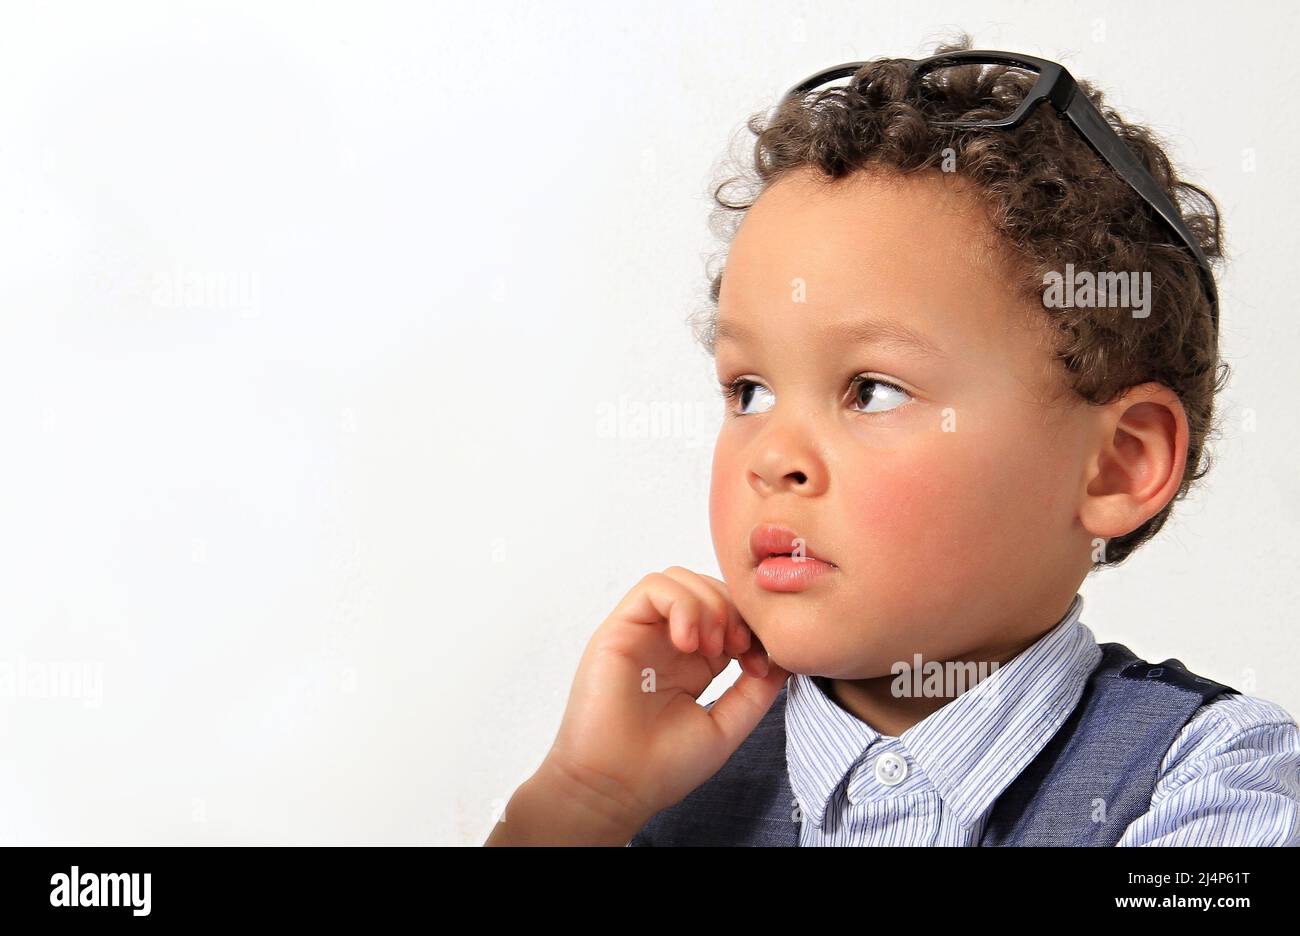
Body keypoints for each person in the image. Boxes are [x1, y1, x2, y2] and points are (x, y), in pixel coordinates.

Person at [484, 35, 1300, 846]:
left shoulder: (1210, 779)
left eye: (871, 391)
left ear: (1119, 463)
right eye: (750, 392)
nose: (774, 457)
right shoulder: (654, 787)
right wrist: (582, 803)